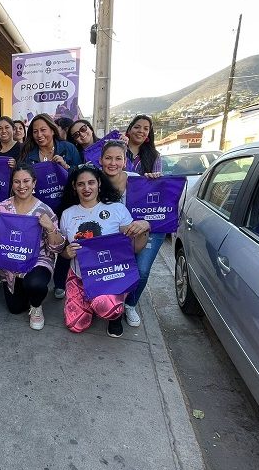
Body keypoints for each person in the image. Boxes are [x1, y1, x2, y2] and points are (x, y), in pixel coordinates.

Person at [58, 164, 147, 337]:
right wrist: (65, 253)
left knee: (107, 308)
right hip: (79, 276)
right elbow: (62, 250)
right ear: (74, 187)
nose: (86, 188)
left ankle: (115, 316)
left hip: (109, 277)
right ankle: (88, 302)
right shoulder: (67, 214)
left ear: (99, 183)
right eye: (81, 184)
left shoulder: (116, 209)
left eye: (91, 182)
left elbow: (135, 248)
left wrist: (145, 227)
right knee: (75, 326)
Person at [0, 164, 66, 330]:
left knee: (35, 285)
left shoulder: (44, 210)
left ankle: (36, 305)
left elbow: (57, 248)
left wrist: (50, 228)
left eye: (26, 181)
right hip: (11, 263)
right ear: (12, 184)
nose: (21, 186)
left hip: (37, 260)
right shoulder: (1, 209)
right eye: (17, 182)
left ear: (34, 183)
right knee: (15, 308)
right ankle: (26, 291)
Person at [20, 113, 82, 301]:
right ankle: (37, 273)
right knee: (42, 244)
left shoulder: (68, 148)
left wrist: (66, 166)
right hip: (40, 208)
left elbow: (81, 174)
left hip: (67, 204)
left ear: (52, 130)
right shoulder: (28, 155)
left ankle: (60, 281)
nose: (39, 135)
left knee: (65, 241)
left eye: (43, 130)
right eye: (35, 131)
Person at [99, 139, 159, 329]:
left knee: (141, 271)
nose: (113, 163)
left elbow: (162, 206)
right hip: (115, 236)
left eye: (118, 158)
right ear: (100, 160)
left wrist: (157, 181)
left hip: (147, 229)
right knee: (117, 272)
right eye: (108, 158)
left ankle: (130, 304)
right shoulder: (96, 182)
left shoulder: (139, 180)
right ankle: (113, 303)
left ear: (125, 161)